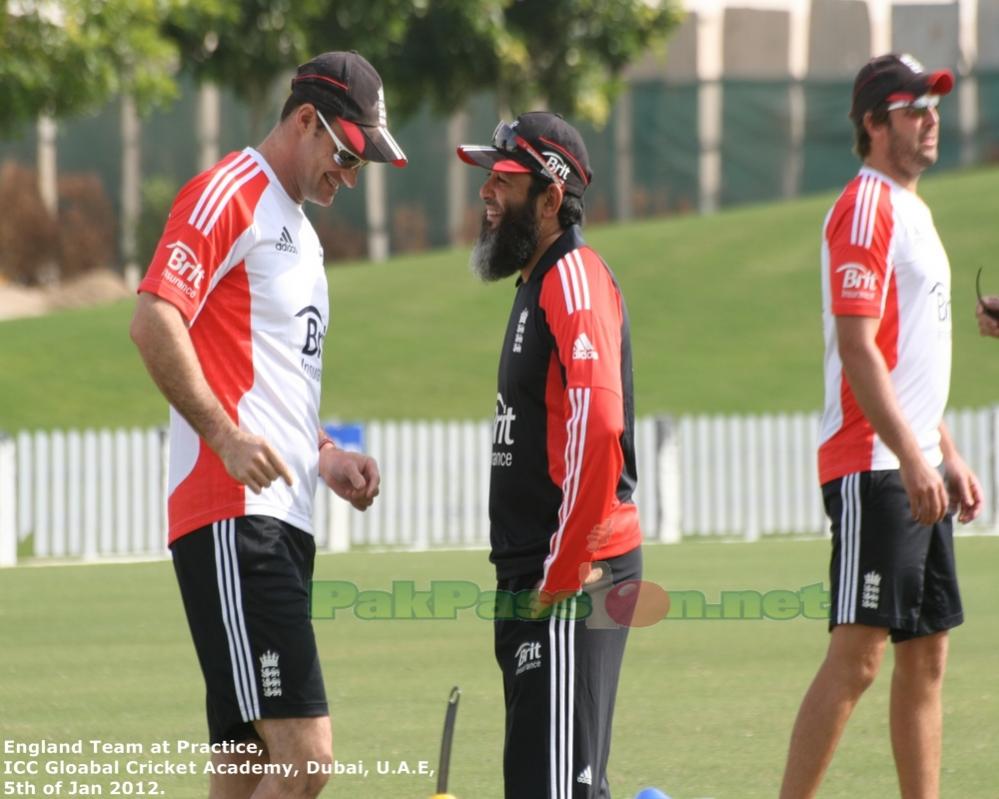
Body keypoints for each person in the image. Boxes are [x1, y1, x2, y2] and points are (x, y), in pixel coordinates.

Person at [130, 51, 404, 799]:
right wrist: (222, 436)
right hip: (233, 516)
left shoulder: (303, 234)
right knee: (306, 758)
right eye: (345, 154)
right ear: (306, 120)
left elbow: (272, 380)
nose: (347, 177)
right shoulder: (229, 192)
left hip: (280, 516)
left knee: (244, 766)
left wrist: (323, 454)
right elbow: (155, 318)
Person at [779, 54, 983, 798]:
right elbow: (859, 347)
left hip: (911, 461)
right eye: (912, 107)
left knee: (926, 654)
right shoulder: (863, 205)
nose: (930, 118)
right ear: (871, 122)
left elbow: (909, 358)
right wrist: (909, 454)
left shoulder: (914, 211)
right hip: (873, 465)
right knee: (858, 655)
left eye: (933, 105)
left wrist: (944, 450)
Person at [456, 112, 643, 799]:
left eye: (502, 179)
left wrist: (564, 568)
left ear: (549, 196)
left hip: (571, 577)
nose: (486, 191)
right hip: (538, 573)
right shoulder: (536, 284)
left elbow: (599, 427)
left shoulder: (572, 279)